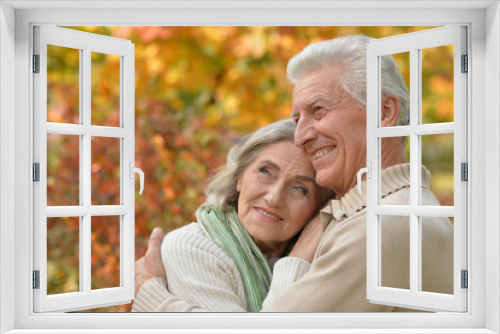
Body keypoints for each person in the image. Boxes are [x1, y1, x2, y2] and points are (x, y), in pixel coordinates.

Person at [133, 35, 453, 312]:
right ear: (240, 177)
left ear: (384, 113)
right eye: (297, 117)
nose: (301, 135)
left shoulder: (383, 225)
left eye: (318, 110)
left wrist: (153, 299)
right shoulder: (391, 211)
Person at [132, 119, 333, 312]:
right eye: (265, 172)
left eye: (299, 188)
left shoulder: (325, 259)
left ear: (317, 207)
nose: (274, 198)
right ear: (240, 177)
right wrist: (297, 260)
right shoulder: (191, 248)